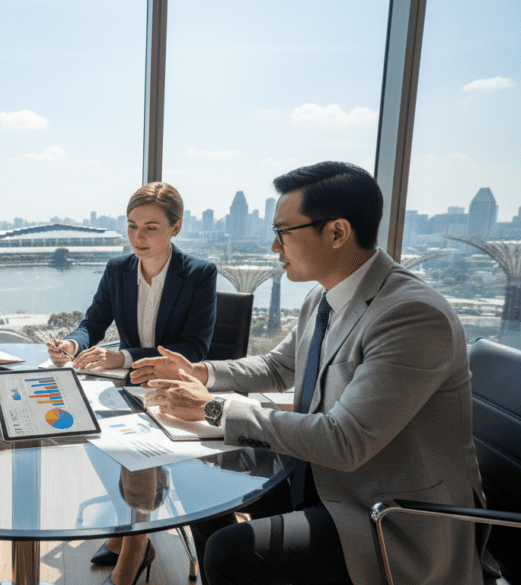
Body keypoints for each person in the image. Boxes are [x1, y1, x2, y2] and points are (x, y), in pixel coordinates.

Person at [133, 161, 499, 585]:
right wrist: (198, 371)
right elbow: (279, 366)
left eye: (283, 233)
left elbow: (345, 441)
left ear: (337, 232)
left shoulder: (412, 315)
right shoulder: (323, 299)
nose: (274, 248)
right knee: (200, 485)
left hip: (388, 516)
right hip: (320, 479)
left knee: (230, 552)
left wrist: (214, 408)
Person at [46, 182, 217, 585]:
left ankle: (136, 548)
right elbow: (93, 322)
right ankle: (131, 528)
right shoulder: (117, 270)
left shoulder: (199, 274)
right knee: (88, 431)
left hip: (171, 386)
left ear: (175, 228)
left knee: (134, 450)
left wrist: (122, 356)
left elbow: (193, 347)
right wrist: (72, 342)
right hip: (125, 385)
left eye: (151, 228)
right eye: (132, 226)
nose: (138, 238)